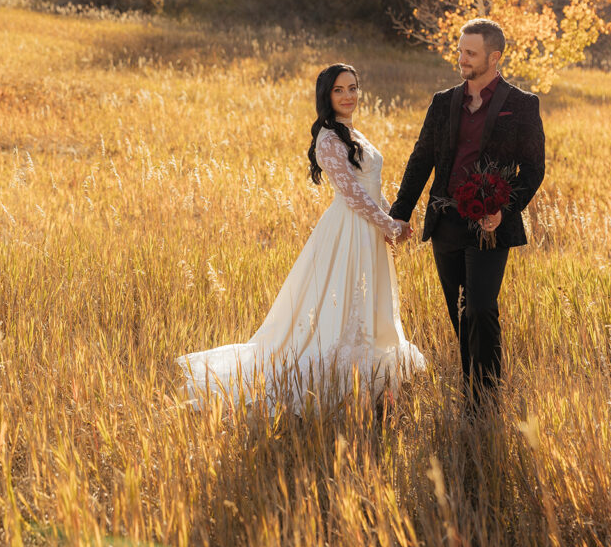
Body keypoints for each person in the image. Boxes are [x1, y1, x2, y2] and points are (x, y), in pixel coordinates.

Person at [177, 63, 425, 410]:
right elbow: (351, 193)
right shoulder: (327, 138)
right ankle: (334, 379)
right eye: (339, 90)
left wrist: (394, 217)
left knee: (368, 299)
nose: (348, 95)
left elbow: (371, 186)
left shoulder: (353, 133)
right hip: (348, 229)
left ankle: (369, 381)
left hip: (368, 227)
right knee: (339, 301)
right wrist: (387, 224)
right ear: (326, 96)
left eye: (353, 88)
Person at [390, 19, 545, 406]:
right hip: (445, 221)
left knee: (480, 307)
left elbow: (534, 167)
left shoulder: (522, 105)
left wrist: (503, 211)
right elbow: (421, 158)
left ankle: (487, 397)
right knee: (460, 312)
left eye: (470, 53)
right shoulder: (443, 102)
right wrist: (400, 213)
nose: (461, 58)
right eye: (459, 50)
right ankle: (470, 392)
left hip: (490, 224)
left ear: (494, 57)